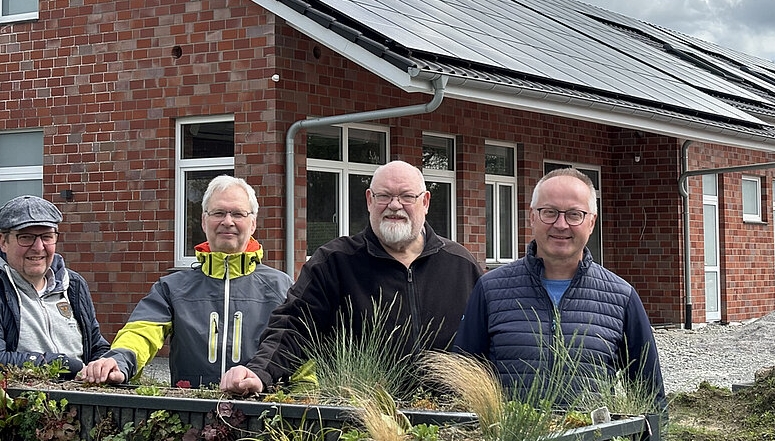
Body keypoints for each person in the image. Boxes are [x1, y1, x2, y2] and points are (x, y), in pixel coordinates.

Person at [221, 160, 483, 395]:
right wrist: (260, 372)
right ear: (369, 200)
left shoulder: (460, 265)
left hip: (449, 421)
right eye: (384, 196)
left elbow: (486, 341)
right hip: (358, 421)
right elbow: (293, 326)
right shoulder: (334, 263)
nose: (394, 205)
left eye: (406, 197)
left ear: (425, 202)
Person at [454, 167, 666, 413]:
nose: (561, 224)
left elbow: (651, 398)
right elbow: (463, 385)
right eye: (549, 213)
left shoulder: (621, 297)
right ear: (532, 217)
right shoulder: (491, 290)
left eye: (574, 214)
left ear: (591, 222)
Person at [78, 175, 293, 386]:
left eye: (238, 214)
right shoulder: (172, 288)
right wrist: (118, 361)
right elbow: (141, 332)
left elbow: (299, 352)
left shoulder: (281, 287)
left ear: (253, 223)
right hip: (190, 414)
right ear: (204, 221)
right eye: (218, 213)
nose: (228, 222)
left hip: (263, 415)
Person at [0, 195, 110, 377]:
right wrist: (68, 366)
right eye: (26, 237)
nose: (38, 247)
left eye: (47, 237)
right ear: (3, 241)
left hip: (83, 399)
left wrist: (105, 365)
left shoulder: (73, 284)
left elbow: (97, 345)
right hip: (15, 401)